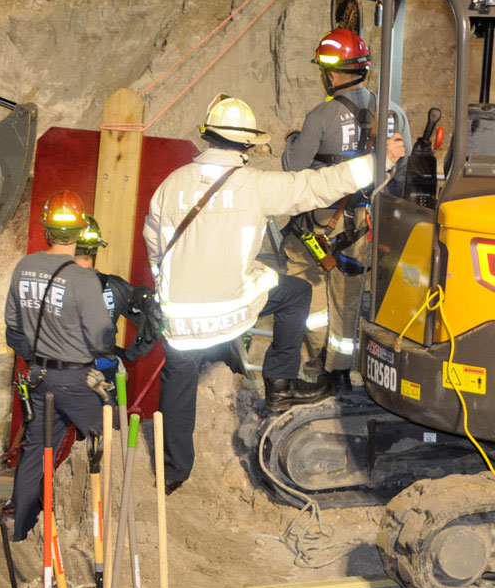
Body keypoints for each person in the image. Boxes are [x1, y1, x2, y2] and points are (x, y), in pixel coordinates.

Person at [144, 94, 406, 494]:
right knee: (296, 292)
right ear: (247, 146)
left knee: (177, 384)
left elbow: (155, 249)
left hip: (181, 318)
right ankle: (280, 385)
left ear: (208, 138)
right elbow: (317, 185)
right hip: (233, 309)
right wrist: (378, 161)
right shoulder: (255, 186)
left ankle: (174, 471)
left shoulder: (170, 186)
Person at [280, 28, 408, 392]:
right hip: (364, 224)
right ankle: (339, 371)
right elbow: (401, 171)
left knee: (300, 275)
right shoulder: (394, 114)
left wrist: (293, 140)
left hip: (321, 221)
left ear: (333, 74)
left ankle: (319, 356)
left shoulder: (321, 115)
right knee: (349, 297)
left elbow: (294, 167)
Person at [5, 192, 117, 541]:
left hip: (38, 376)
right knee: (110, 441)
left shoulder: (24, 267)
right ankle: (101, 529)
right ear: (81, 231)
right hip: (77, 379)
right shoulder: (84, 280)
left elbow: (12, 327)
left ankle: (22, 532)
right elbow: (102, 340)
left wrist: (35, 356)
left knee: (35, 452)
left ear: (47, 231)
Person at [73, 214, 161, 378]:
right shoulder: (114, 287)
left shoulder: (54, 286)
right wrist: (128, 354)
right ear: (97, 247)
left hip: (62, 376)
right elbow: (154, 324)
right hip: (104, 376)